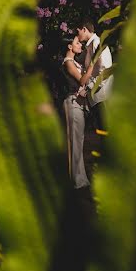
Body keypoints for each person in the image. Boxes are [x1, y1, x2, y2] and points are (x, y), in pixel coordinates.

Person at [61, 35, 90, 190]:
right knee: (75, 141)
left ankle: (80, 179)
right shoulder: (68, 62)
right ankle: (76, 181)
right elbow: (82, 80)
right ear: (69, 47)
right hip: (71, 103)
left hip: (78, 104)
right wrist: (93, 64)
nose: (80, 45)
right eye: (77, 43)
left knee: (78, 140)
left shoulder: (75, 63)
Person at [77, 20, 113, 133]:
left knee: (106, 132)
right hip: (97, 96)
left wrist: (89, 88)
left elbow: (105, 69)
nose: (77, 36)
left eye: (78, 32)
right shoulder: (89, 46)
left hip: (103, 96)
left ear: (84, 29)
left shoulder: (97, 43)